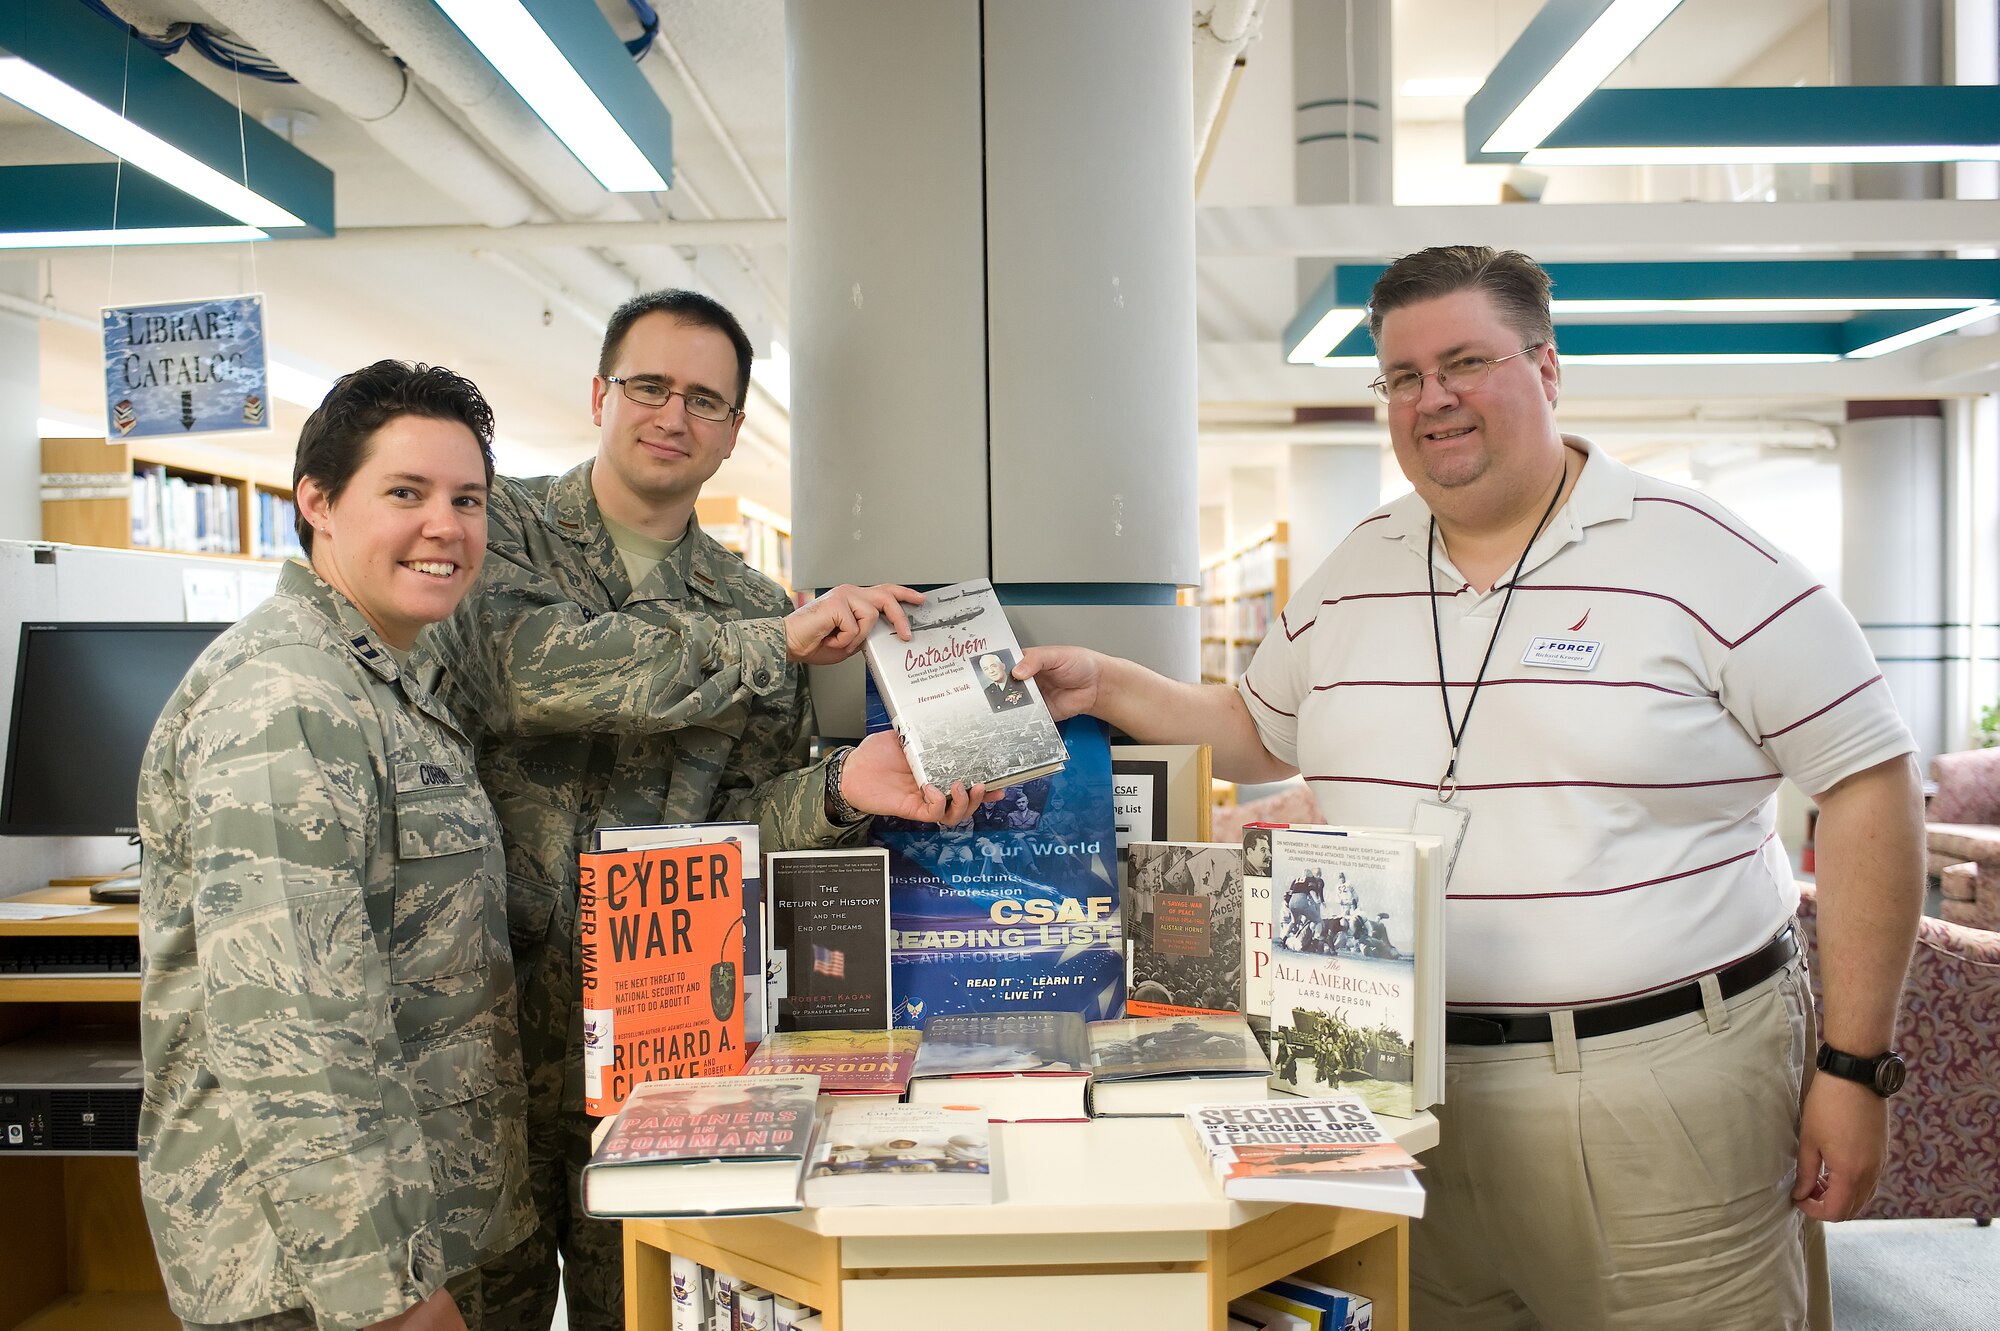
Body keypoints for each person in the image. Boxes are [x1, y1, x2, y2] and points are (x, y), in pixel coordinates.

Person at [1019, 246, 1923, 1330]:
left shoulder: (1704, 553)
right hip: (1391, 1075)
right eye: (1400, 376)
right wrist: (1110, 683)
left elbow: (1870, 783)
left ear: (1545, 368)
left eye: (1462, 361)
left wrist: (1854, 1066)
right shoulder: (1355, 564)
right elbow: (1260, 728)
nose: (1430, 397)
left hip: (1658, 1079)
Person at [429, 289, 990, 1331]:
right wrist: (768, 646)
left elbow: (744, 825)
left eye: (704, 399)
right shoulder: (487, 526)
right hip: (477, 1046)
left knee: (638, 1308)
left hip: (661, 1059)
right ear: (599, 393)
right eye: (648, 385)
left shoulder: (752, 602)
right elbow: (523, 670)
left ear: (733, 433)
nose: (671, 414)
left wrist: (834, 790)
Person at [138, 362, 532, 1331]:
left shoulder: (386, 678)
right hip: (320, 1278)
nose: (445, 525)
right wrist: (386, 1291)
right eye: (406, 492)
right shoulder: (289, 701)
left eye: (466, 498)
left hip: (426, 1226)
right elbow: (295, 1026)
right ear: (316, 500)